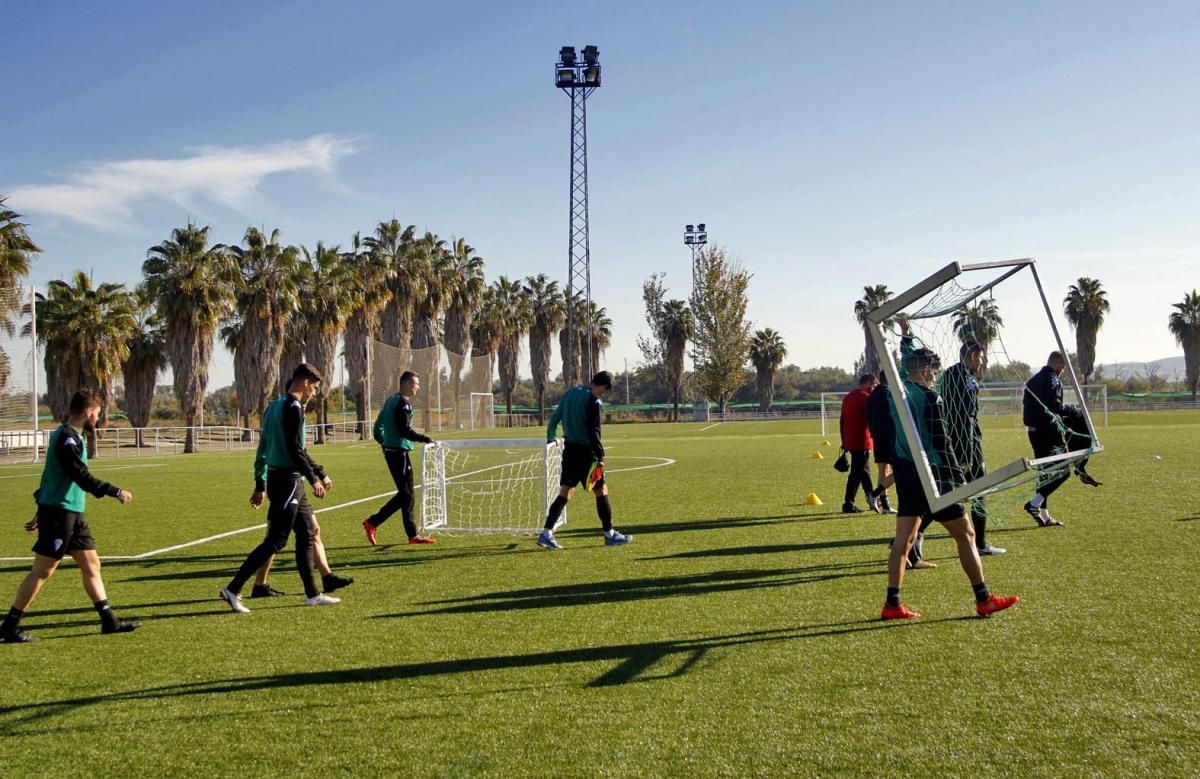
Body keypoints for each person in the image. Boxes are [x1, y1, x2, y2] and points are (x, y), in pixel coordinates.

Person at [881, 322, 1018, 620]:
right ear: (926, 369)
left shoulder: (899, 394)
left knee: (903, 541)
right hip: (934, 474)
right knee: (966, 534)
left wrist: (905, 338)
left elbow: (905, 366)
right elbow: (941, 443)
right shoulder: (929, 397)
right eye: (932, 368)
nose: (934, 374)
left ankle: (892, 604)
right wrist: (958, 478)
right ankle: (983, 599)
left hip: (907, 474)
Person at [1, 390, 139, 643]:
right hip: (59, 514)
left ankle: (109, 621)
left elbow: (51, 478)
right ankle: (9, 625)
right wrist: (114, 491)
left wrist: (38, 509)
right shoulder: (66, 438)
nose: (97, 419)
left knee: (91, 565)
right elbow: (80, 476)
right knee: (43, 571)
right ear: (87, 412)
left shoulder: (72, 436)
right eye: (97, 414)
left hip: (72, 513)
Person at [220, 364, 340, 613]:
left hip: (288, 479)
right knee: (276, 540)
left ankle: (312, 593)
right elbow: (295, 449)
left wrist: (318, 472)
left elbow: (291, 447)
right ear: (306, 382)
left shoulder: (276, 407)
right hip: (287, 481)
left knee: (308, 532)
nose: (314, 394)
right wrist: (314, 478)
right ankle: (233, 589)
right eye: (315, 388)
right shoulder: (292, 407)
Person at [537, 371, 631, 550]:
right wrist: (600, 456)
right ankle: (609, 534)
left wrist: (550, 436)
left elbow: (554, 420)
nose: (604, 393)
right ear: (603, 386)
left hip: (569, 450)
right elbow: (593, 432)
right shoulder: (593, 401)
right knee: (601, 490)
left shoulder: (570, 394)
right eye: (606, 390)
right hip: (587, 453)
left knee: (565, 492)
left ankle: (546, 533)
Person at [938, 341, 1006, 556]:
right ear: (974, 355)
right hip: (966, 444)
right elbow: (966, 418)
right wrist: (968, 453)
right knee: (979, 489)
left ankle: (911, 538)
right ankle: (981, 544)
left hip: (949, 440)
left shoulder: (948, 374)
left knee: (942, 493)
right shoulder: (967, 379)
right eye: (981, 357)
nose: (983, 361)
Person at [362, 371, 437, 546]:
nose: (417, 387)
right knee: (406, 494)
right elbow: (405, 431)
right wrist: (425, 439)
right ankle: (373, 522)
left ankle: (412, 535)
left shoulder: (390, 400)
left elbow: (377, 426)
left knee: (407, 494)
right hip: (398, 453)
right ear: (407, 384)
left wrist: (383, 442)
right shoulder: (403, 404)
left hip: (392, 451)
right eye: (416, 383)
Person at [1022, 352, 1073, 526]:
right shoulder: (1052, 380)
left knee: (1045, 473)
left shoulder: (1032, 380)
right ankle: (1034, 504)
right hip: (1049, 432)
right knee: (1065, 469)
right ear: (1058, 364)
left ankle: (1044, 515)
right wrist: (1072, 411)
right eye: (1063, 367)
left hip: (1033, 432)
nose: (1063, 371)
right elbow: (1054, 406)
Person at [249, 523, 354, 598]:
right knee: (274, 537)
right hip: (286, 496)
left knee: (313, 530)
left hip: (296, 493)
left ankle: (328, 578)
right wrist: (260, 490)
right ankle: (241, 586)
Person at [839, 374, 877, 513]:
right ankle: (848, 503)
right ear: (869, 383)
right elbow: (872, 418)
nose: (874, 388)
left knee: (864, 472)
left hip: (851, 439)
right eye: (874, 385)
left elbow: (842, 420)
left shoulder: (848, 397)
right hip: (862, 440)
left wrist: (844, 441)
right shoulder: (866, 398)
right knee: (856, 473)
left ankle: (872, 498)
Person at [865, 371, 896, 514]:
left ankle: (884, 505)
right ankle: (875, 494)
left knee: (884, 470)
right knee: (901, 469)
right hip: (890, 436)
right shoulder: (889, 394)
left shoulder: (872, 395)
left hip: (877, 436)